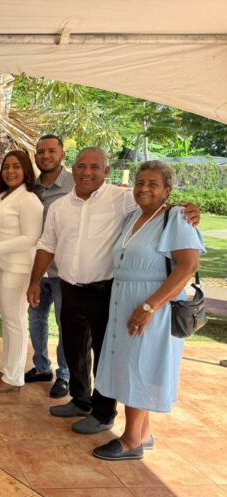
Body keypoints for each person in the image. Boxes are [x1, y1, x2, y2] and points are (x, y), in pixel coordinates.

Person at [27, 147, 200, 435]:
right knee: (73, 349)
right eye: (82, 166)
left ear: (106, 171)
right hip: (69, 288)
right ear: (73, 169)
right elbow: (47, 245)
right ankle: (80, 400)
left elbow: (157, 203)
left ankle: (103, 413)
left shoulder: (122, 199)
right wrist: (35, 281)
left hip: (106, 290)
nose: (87, 172)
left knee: (105, 353)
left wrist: (189, 210)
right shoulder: (59, 206)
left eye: (95, 167)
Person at [92, 162, 204, 460]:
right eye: (140, 182)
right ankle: (143, 433)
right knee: (131, 363)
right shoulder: (133, 217)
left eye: (153, 184)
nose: (144, 188)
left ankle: (131, 441)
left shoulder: (176, 218)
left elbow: (188, 266)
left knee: (140, 366)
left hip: (153, 305)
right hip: (126, 300)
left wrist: (149, 306)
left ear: (167, 190)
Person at [0, 151, 43, 392]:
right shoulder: (2, 196)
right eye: (6, 167)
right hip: (0, 265)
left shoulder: (30, 199)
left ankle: (14, 377)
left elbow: (31, 238)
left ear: (26, 170)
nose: (10, 171)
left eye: (16, 166)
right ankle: (8, 368)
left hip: (18, 267)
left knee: (16, 322)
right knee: (8, 320)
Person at [25, 135, 74, 398]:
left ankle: (64, 374)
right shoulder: (31, 188)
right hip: (36, 268)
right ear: (35, 156)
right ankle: (42, 366)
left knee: (64, 323)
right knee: (36, 318)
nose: (46, 156)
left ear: (62, 155)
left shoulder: (76, 185)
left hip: (63, 269)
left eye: (52, 151)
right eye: (41, 152)